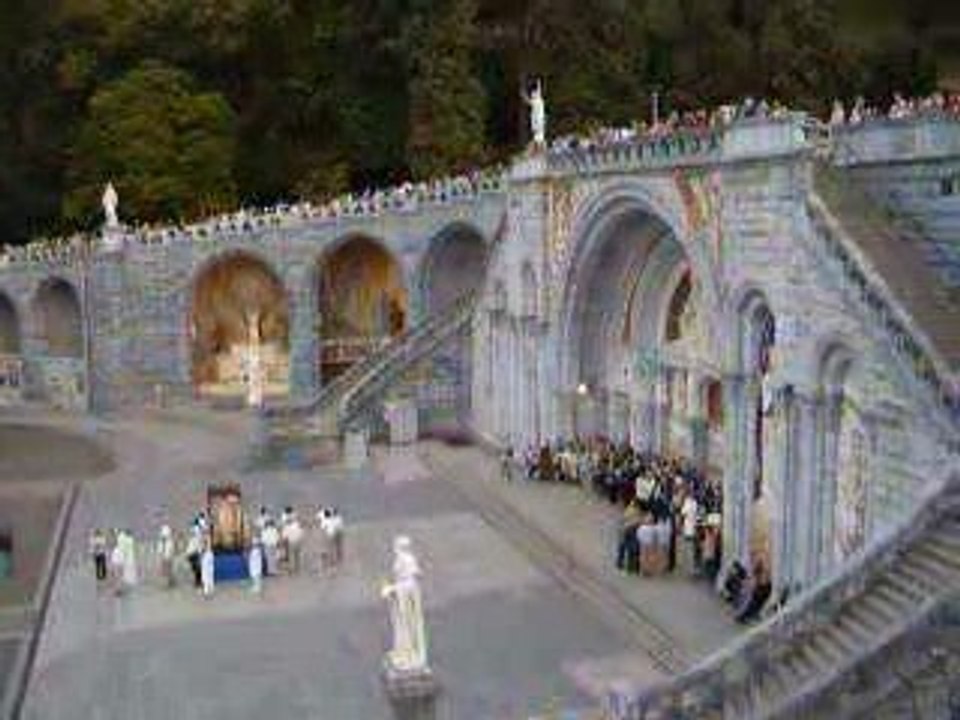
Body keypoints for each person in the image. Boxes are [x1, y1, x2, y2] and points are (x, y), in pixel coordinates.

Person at [282, 510, 304, 575]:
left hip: (291, 542)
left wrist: (283, 544)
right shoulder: (297, 525)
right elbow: (301, 533)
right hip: (298, 541)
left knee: (291, 556)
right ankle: (297, 568)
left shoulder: (287, 527)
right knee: (297, 555)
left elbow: (284, 537)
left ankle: (292, 569)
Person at [157, 525, 175, 589]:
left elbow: (171, 550)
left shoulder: (170, 542)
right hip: (164, 557)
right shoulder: (161, 542)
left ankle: (169, 581)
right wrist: (160, 556)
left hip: (168, 558)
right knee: (164, 571)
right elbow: (159, 550)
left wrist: (170, 556)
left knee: (168, 570)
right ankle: (168, 581)